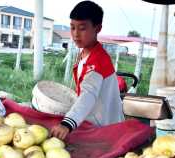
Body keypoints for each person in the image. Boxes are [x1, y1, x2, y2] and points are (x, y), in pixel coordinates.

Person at [51, 0, 125, 140]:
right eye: (72, 27)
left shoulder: (99, 60)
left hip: (106, 129)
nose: (75, 34)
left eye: (82, 28)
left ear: (98, 28)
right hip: (91, 123)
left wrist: (67, 123)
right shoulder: (84, 54)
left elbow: (88, 94)